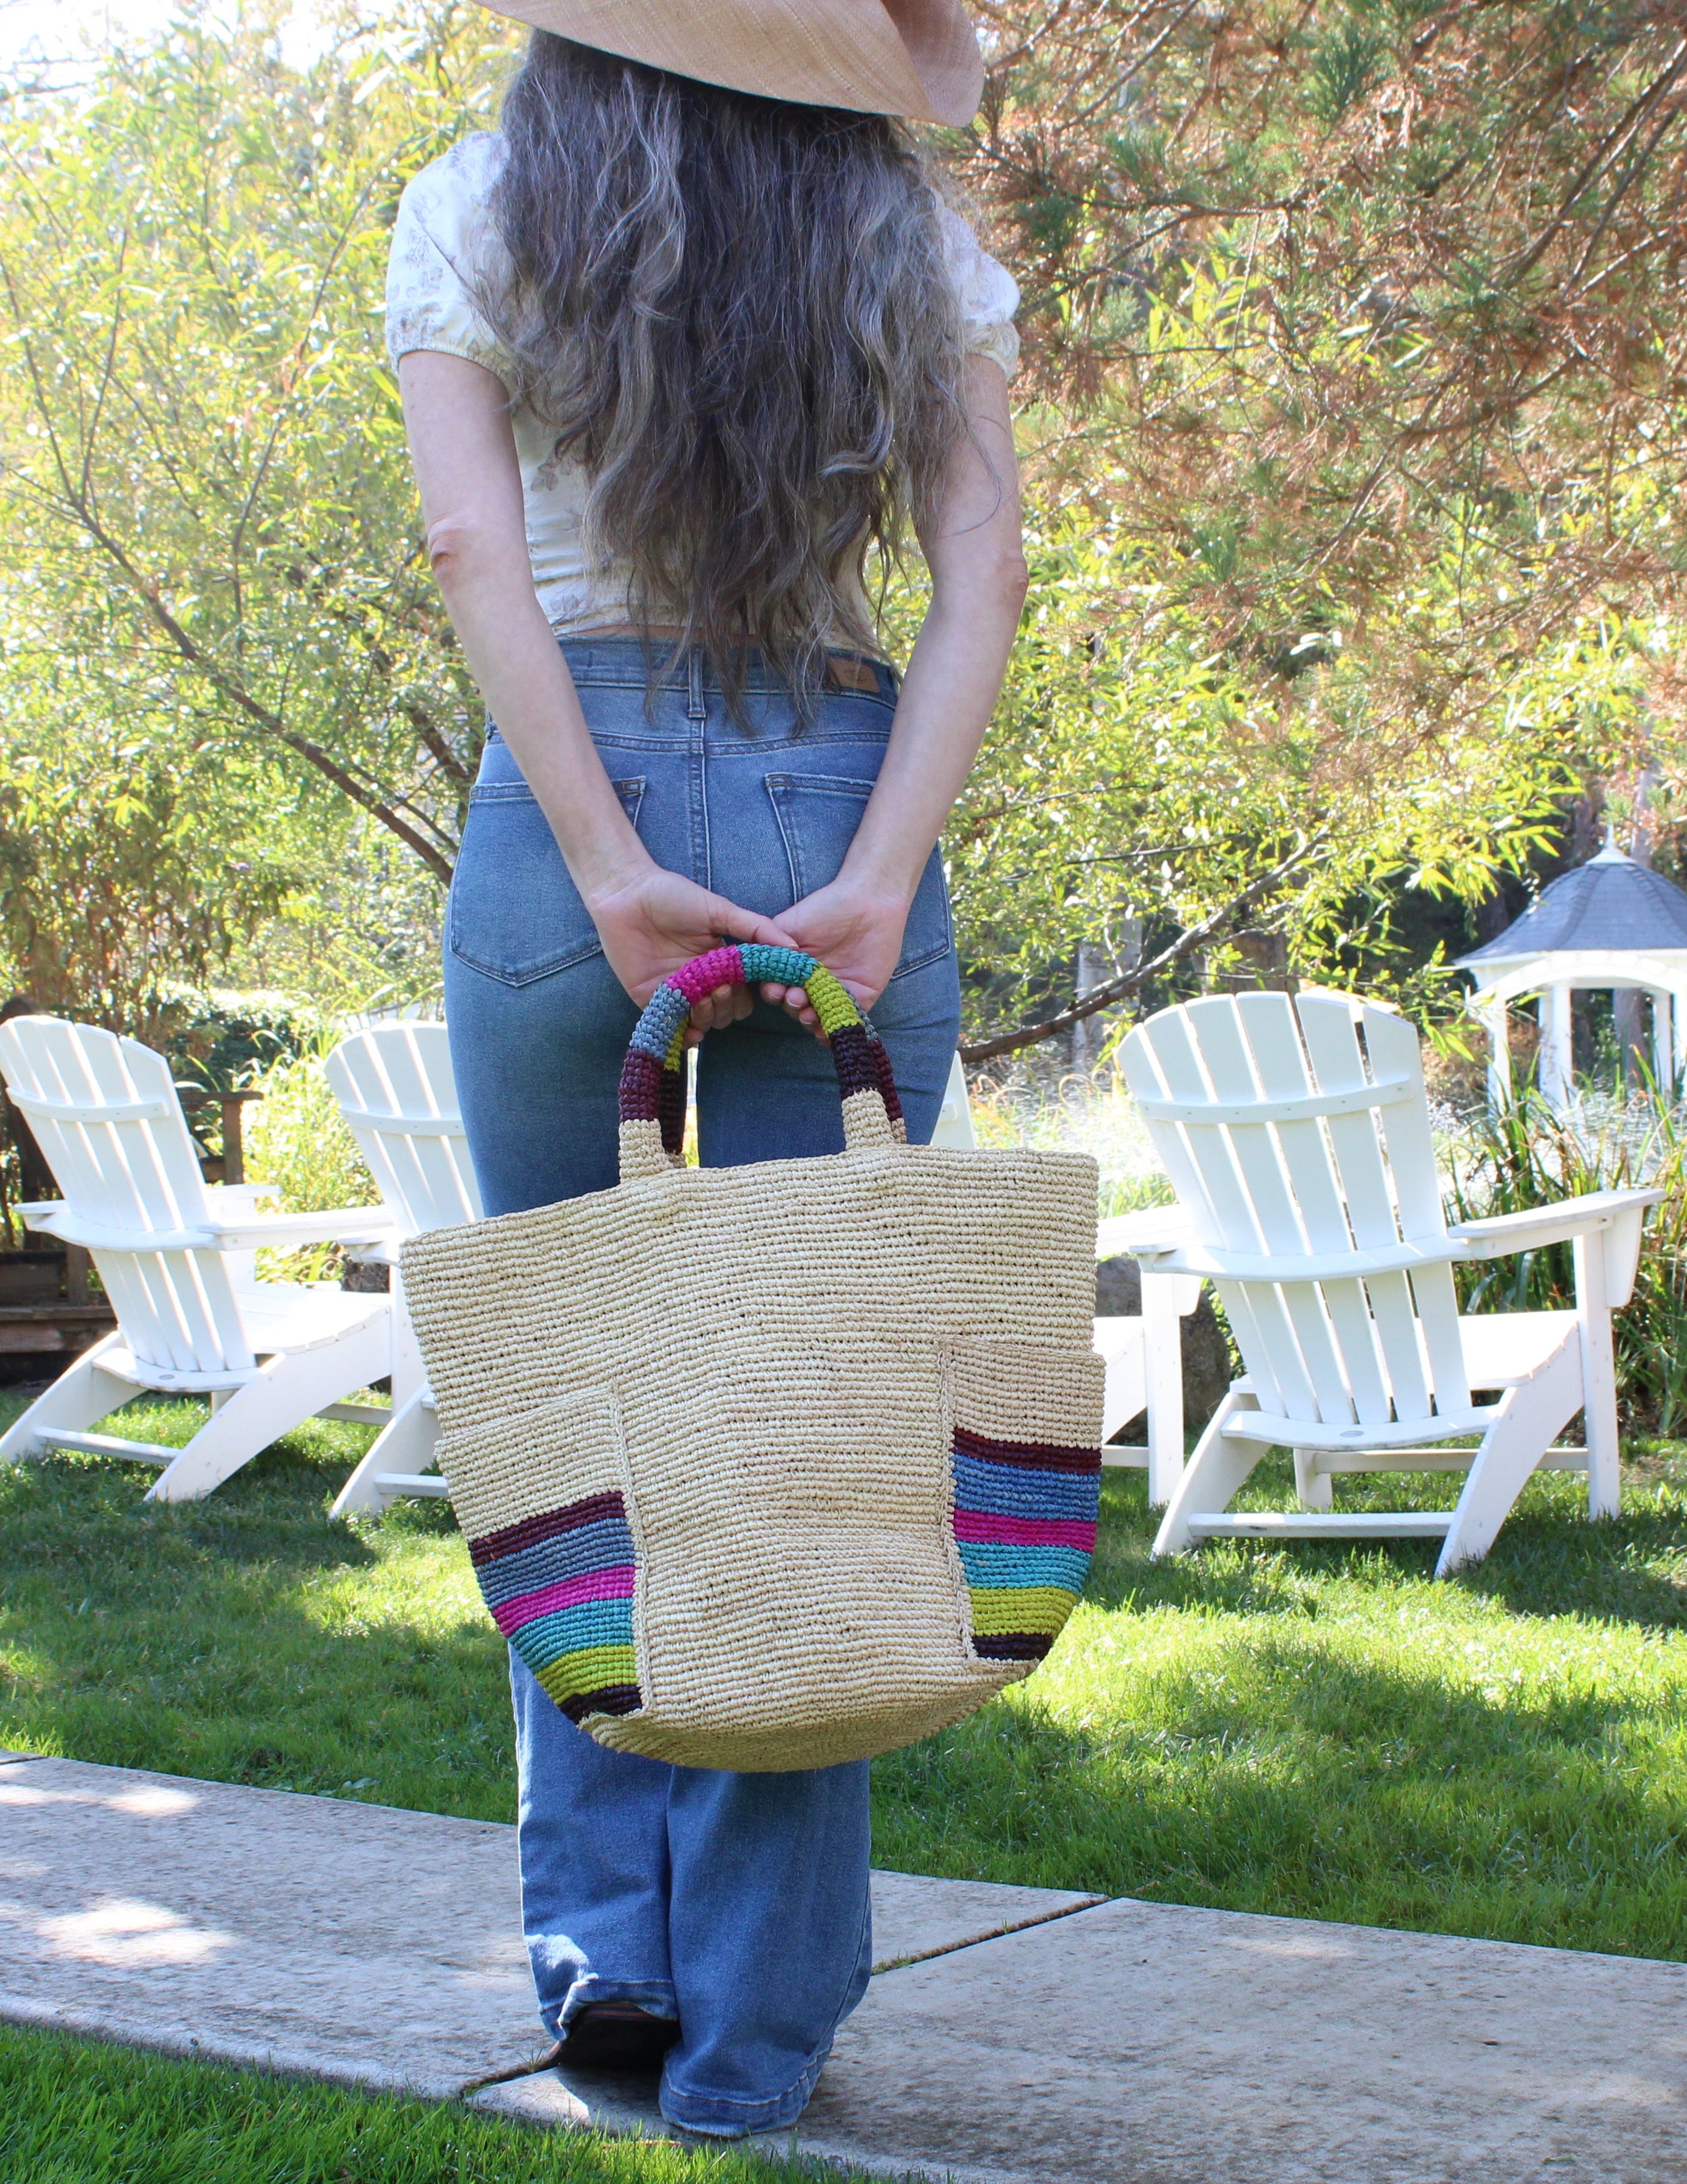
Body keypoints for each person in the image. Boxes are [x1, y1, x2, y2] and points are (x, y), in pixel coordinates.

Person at [386, 0, 1027, 2139]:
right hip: (837, 792)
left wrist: (603, 863)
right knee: (812, 1427)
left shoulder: (476, 206)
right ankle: (755, 2041)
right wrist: (874, 866)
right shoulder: (911, 249)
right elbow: (979, 573)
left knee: (576, 1413)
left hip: (563, 820)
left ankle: (609, 1975)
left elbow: (477, 552)